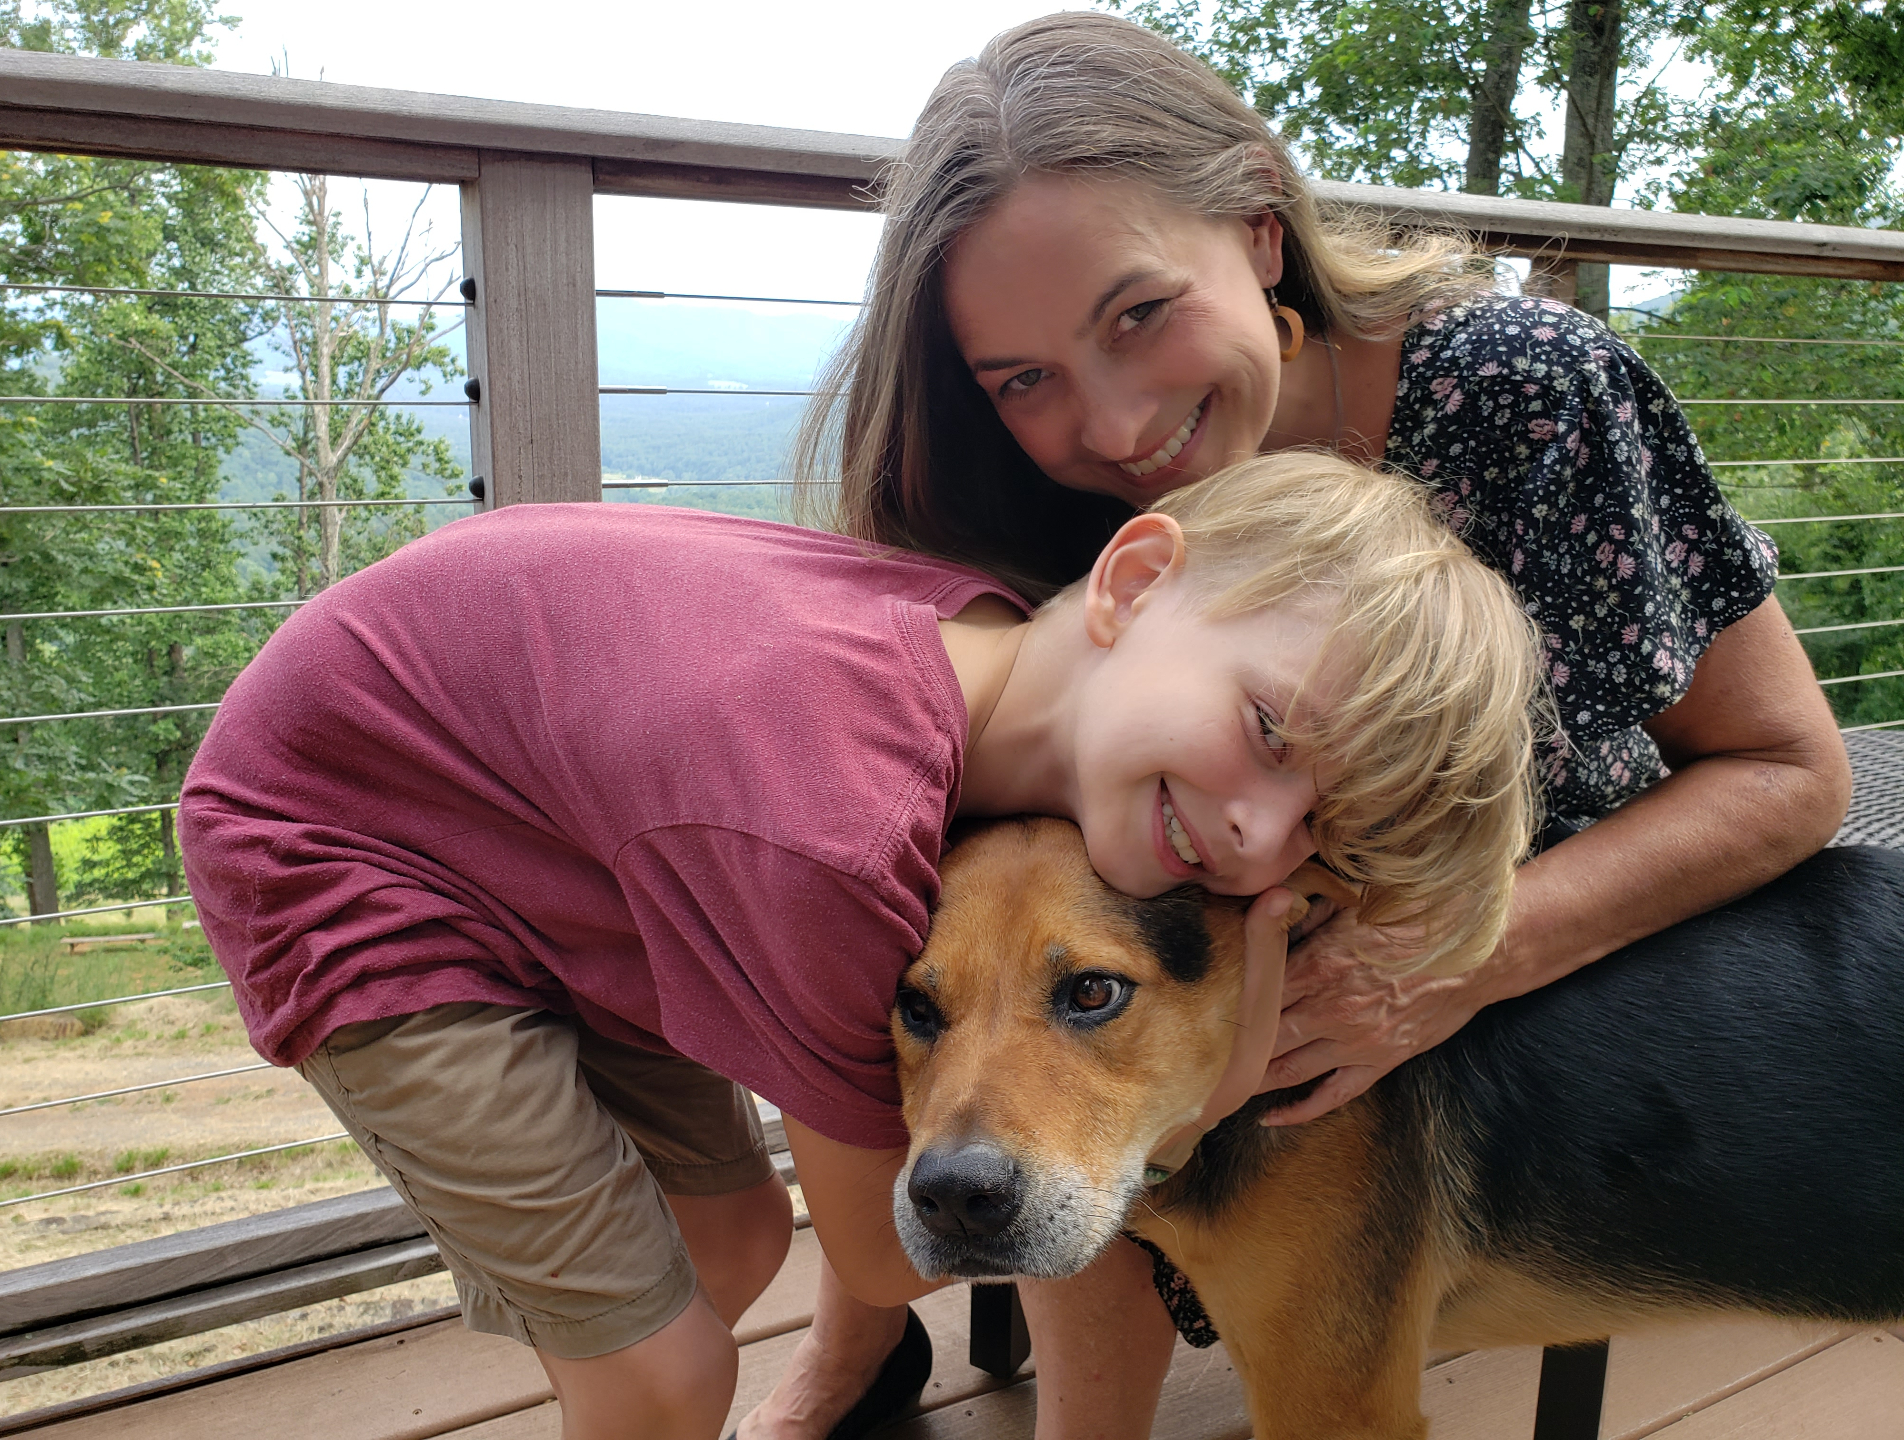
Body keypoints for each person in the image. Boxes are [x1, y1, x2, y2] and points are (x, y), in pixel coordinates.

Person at [745, 12, 1854, 1440]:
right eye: (1021, 377)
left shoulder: (1520, 394)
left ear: (1263, 228)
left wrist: (1451, 965)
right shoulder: (1040, 494)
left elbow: (1792, 771)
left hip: (1532, 974)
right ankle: (875, 1339)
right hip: (1169, 985)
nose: (1118, 420)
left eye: (1139, 312)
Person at [179, 452, 1542, 1440]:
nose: (1255, 835)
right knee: (654, 1376)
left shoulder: (1007, 667)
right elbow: (892, 1265)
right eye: (1266, 730)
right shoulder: (839, 840)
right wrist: (1223, 1076)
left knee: (722, 1240)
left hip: (546, 842)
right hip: (343, 847)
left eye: (1316, 831)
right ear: (1131, 580)